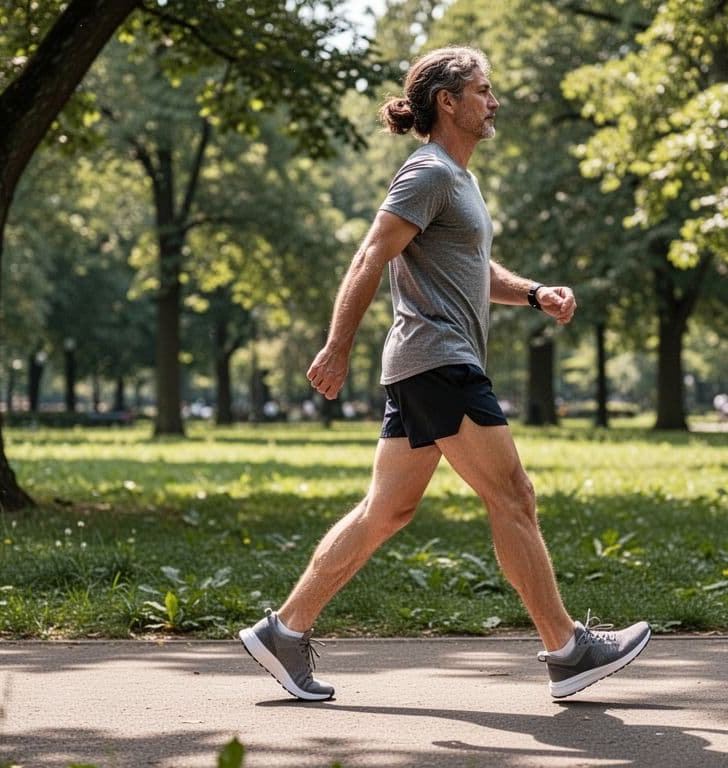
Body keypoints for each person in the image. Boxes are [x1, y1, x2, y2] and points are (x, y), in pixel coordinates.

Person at [238, 46, 650, 702]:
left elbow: (473, 270)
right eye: (482, 91)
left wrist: (536, 293)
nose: (494, 102)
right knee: (513, 495)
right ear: (448, 103)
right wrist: (337, 345)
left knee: (387, 510)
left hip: (426, 364)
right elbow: (371, 254)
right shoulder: (427, 172)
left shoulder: (459, 181)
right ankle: (567, 649)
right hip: (439, 360)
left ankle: (284, 633)